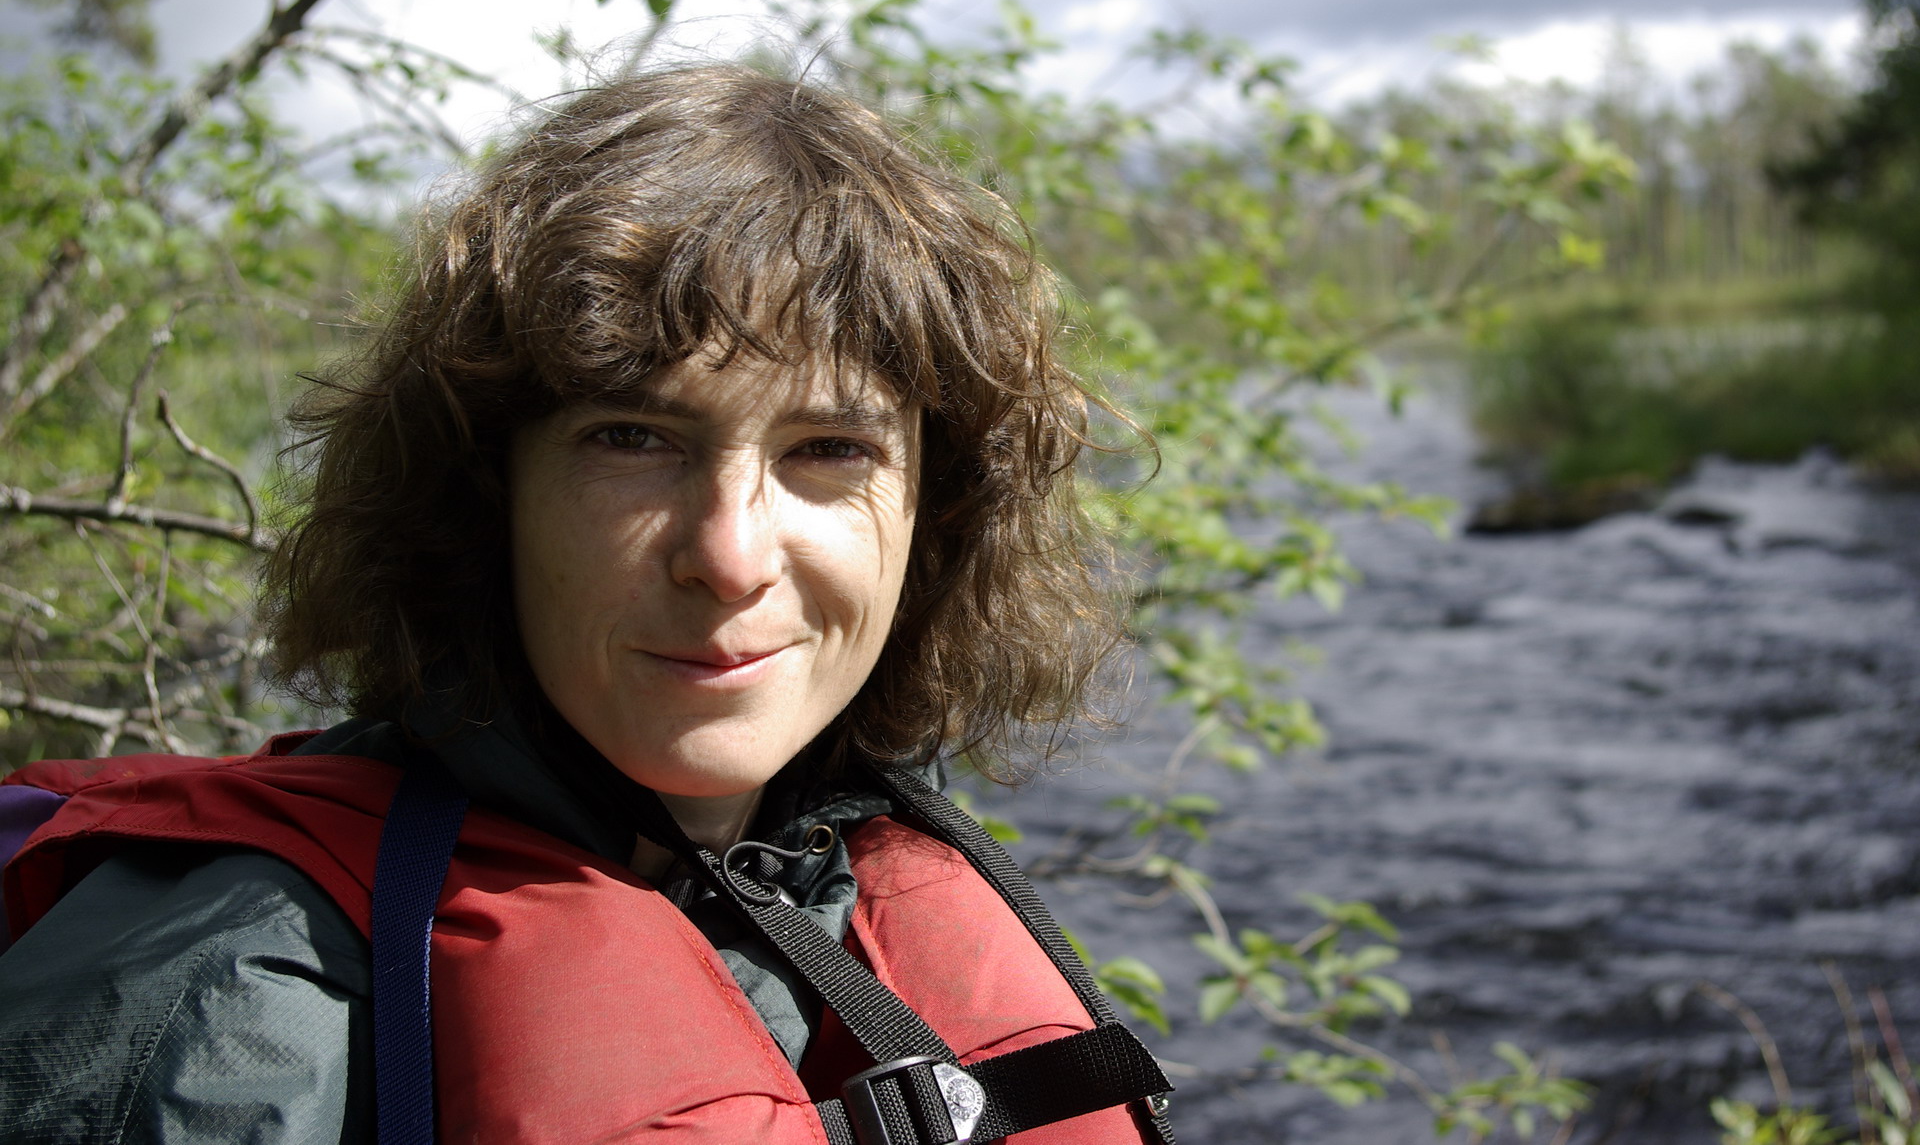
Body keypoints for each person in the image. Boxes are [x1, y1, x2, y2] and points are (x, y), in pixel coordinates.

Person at [0, 65, 1175, 1143]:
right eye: (632, 437)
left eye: (828, 448)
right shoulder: (224, 1016)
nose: (729, 556)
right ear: (484, 490)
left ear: (934, 516)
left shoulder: (836, 890)